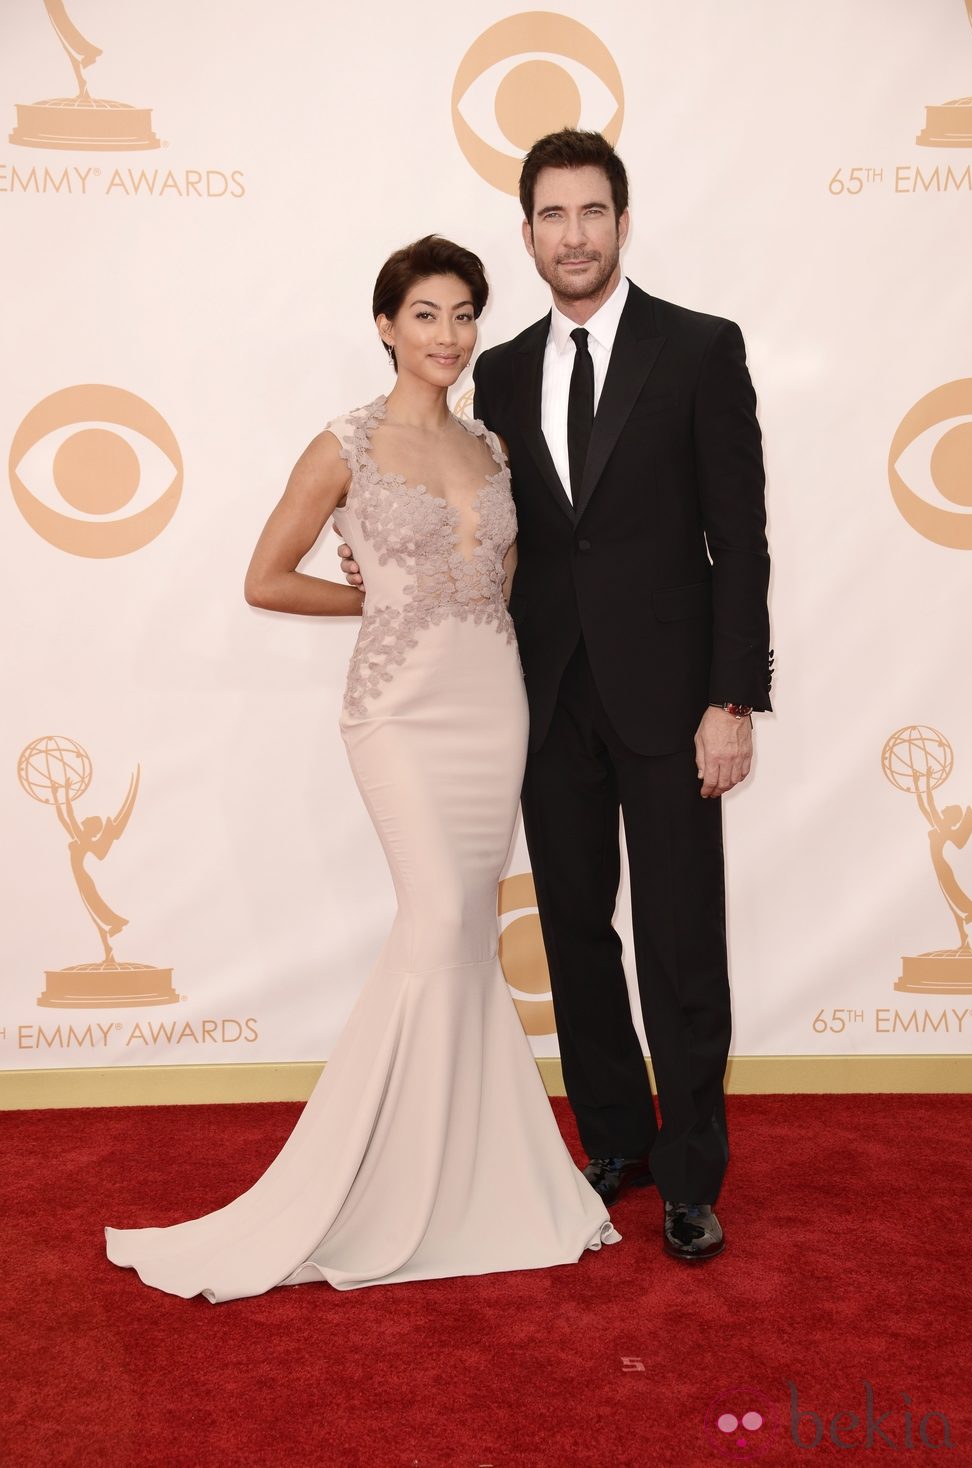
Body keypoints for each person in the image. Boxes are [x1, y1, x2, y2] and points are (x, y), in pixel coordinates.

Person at [104, 234, 618, 1302]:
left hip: (492, 705)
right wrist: (376, 599)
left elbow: (507, 575)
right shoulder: (344, 444)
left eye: (464, 314)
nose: (448, 334)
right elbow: (264, 578)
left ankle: (466, 1177)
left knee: (460, 935)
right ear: (385, 325)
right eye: (425, 314)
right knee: (438, 924)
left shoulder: (492, 446)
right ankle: (376, 1183)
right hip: (396, 708)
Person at [341, 132, 772, 1264]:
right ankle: (616, 1140)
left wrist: (731, 698)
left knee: (680, 938)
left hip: (674, 701)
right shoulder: (506, 368)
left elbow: (739, 540)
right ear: (525, 231)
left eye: (591, 212)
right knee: (574, 934)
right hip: (541, 700)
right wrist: (385, 568)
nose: (571, 234)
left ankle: (689, 1174)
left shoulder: (698, 349)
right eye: (550, 214)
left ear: (621, 223)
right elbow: (498, 529)